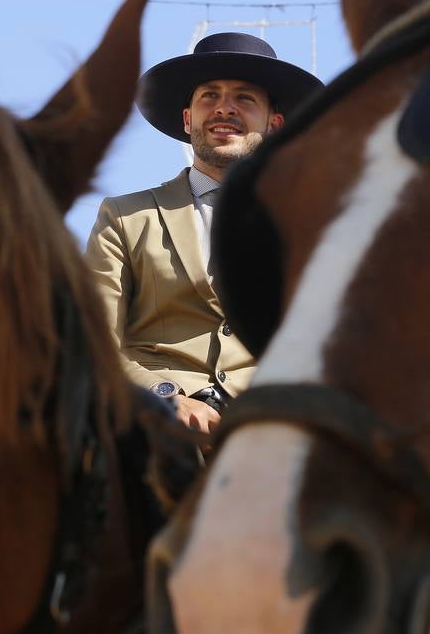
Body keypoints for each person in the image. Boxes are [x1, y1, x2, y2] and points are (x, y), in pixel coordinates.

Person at [84, 32, 322, 433]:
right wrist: (163, 397)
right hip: (154, 430)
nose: (224, 109)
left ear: (275, 124)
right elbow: (92, 340)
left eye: (244, 98)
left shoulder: (313, 226)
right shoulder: (125, 217)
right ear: (187, 118)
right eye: (209, 96)